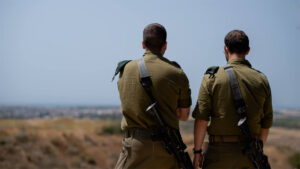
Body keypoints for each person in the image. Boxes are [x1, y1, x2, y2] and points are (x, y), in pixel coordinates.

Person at [114, 23, 192, 169]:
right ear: (165, 45)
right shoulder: (176, 73)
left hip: (134, 147)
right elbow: (184, 115)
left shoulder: (125, 70)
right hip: (167, 147)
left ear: (143, 44)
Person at [192, 30, 273, 169]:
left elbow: (201, 119)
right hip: (249, 156)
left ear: (225, 49)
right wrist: (256, 150)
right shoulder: (261, 80)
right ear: (247, 51)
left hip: (218, 155)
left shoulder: (212, 77)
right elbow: (266, 124)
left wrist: (197, 152)